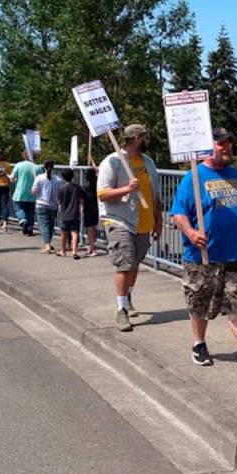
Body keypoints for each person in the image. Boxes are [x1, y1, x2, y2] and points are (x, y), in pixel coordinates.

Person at [170, 128, 237, 372]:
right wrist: (191, 233)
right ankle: (199, 344)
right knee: (199, 302)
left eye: (229, 143)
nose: (226, 147)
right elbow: (178, 214)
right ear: (208, 147)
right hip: (204, 255)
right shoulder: (194, 178)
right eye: (220, 144)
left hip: (236, 252)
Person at [97, 124, 162, 332]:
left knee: (134, 263)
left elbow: (155, 195)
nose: (147, 140)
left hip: (143, 222)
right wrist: (127, 188)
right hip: (119, 220)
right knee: (124, 264)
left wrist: (158, 220)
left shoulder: (149, 162)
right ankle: (121, 309)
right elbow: (102, 194)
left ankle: (127, 295)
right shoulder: (113, 161)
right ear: (135, 138)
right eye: (145, 136)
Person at [31, 160, 61, 254]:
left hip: (41, 204)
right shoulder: (58, 179)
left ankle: (47, 244)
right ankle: (48, 242)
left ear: (43, 167)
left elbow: (34, 192)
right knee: (51, 225)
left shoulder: (39, 178)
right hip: (53, 205)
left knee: (44, 225)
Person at [10, 150, 42, 236]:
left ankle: (23, 221)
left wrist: (12, 178)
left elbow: (12, 178)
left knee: (19, 208)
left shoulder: (19, 165)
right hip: (33, 194)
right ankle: (30, 228)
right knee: (31, 211)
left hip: (20, 192)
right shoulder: (38, 167)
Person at [57, 169, 83, 258]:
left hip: (64, 213)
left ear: (63, 177)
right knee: (74, 232)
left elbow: (59, 201)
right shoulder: (77, 187)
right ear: (73, 176)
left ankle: (63, 251)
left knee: (64, 233)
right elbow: (81, 199)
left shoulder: (61, 188)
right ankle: (74, 251)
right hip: (75, 213)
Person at [82, 165, 100, 256]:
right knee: (94, 227)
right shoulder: (98, 184)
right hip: (96, 208)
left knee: (89, 229)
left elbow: (82, 199)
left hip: (88, 209)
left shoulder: (85, 187)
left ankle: (92, 248)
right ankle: (93, 245)